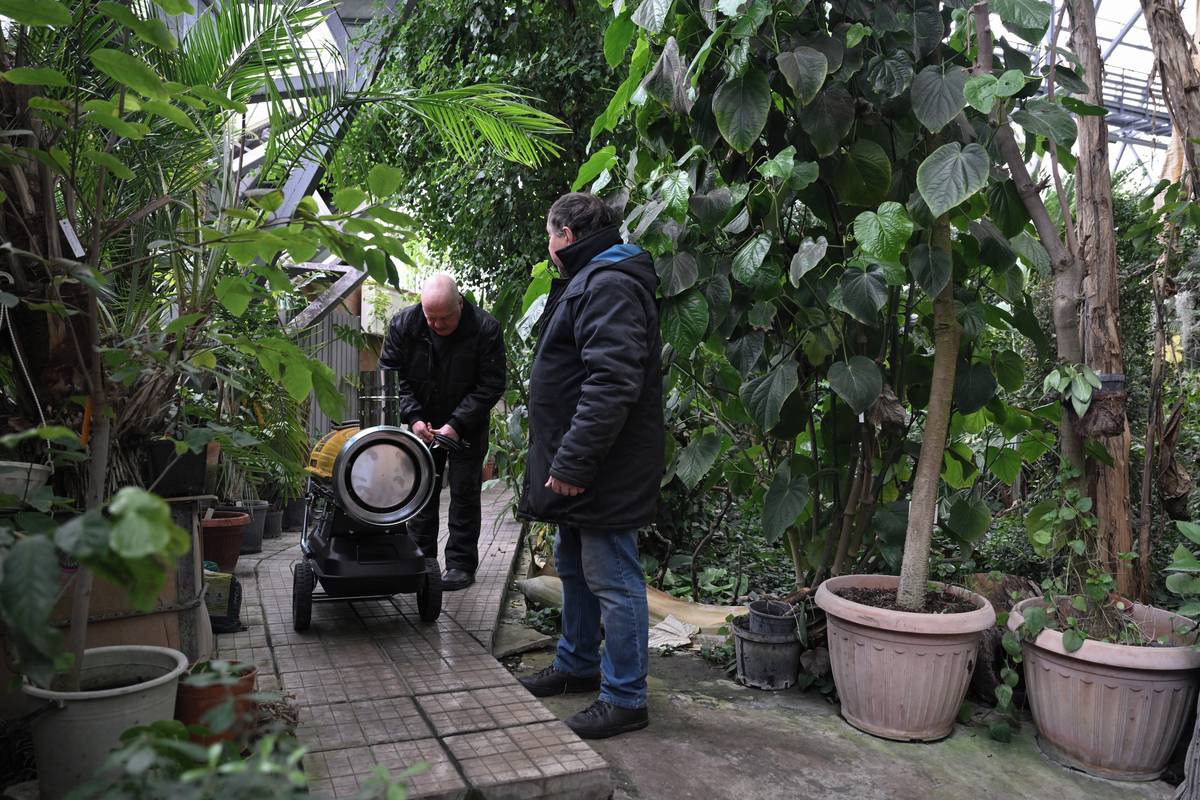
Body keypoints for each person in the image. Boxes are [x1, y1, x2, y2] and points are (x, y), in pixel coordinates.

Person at [516, 192, 663, 740]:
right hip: (581, 464)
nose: (548, 247)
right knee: (573, 564)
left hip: (603, 468)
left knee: (612, 575)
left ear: (567, 236)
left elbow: (612, 381)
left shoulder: (610, 284)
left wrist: (575, 462)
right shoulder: (592, 279)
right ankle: (577, 664)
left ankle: (625, 698)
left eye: (549, 237)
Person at [380, 273, 505, 591]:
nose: (436, 324)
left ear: (460, 304)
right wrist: (414, 417)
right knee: (420, 493)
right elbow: (392, 375)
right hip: (421, 424)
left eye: (444, 318)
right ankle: (421, 561)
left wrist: (457, 424)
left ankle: (461, 566)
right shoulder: (404, 324)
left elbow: (491, 384)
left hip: (467, 425)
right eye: (430, 317)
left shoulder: (485, 328)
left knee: (464, 494)